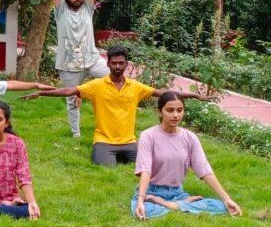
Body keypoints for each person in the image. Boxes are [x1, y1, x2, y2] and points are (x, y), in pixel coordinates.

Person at [22, 47, 213, 166]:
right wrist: (41, 92)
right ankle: (110, 156)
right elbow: (69, 91)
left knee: (147, 166)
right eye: (114, 63)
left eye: (121, 63)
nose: (117, 67)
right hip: (104, 140)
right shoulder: (96, 86)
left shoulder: (136, 87)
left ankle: (124, 155)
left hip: (129, 141)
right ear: (108, 64)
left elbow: (163, 93)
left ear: (127, 64)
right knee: (104, 168)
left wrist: (194, 94)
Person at [132, 92, 242, 219]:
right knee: (147, 210)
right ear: (160, 112)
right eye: (170, 110)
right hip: (150, 192)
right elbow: (145, 170)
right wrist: (140, 200)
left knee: (219, 206)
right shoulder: (148, 136)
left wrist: (227, 199)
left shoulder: (190, 137)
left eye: (179, 110)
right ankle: (181, 206)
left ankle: (168, 205)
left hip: (177, 193)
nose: (175, 115)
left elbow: (205, 170)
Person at [53, 0, 109, 138]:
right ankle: (76, 134)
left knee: (111, 81)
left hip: (91, 60)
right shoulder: (60, 11)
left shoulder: (87, 8)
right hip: (68, 64)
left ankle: (108, 122)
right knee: (71, 99)